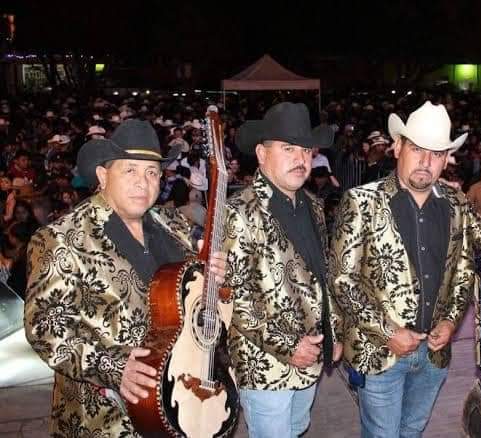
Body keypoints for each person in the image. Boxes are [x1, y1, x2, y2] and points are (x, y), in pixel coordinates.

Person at [23, 119, 227, 436]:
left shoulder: (174, 225)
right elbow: (45, 328)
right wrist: (113, 366)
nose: (143, 183)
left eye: (152, 173)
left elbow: (194, 297)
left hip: (183, 398)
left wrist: (214, 277)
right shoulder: (62, 238)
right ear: (103, 176)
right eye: (130, 170)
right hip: (107, 418)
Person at [330, 101, 481, 437]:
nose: (426, 161)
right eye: (417, 149)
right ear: (398, 147)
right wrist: (389, 332)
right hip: (380, 351)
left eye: (436, 153)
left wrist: (451, 321)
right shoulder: (361, 201)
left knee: (412, 431)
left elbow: (463, 269)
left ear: (447, 159)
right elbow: (342, 281)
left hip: (434, 354)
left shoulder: (457, 204)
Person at [224, 102, 343, 437]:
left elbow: (322, 274)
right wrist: (289, 347)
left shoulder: (314, 205)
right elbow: (232, 297)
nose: (300, 158)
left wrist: (333, 332)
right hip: (266, 366)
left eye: (306, 150)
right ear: (262, 154)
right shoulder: (237, 212)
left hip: (312, 357)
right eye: (288, 148)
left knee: (298, 428)